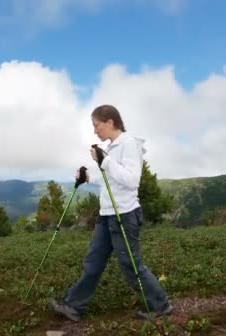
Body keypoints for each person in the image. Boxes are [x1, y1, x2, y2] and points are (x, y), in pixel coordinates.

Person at [49, 104, 173, 321]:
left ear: (110, 122)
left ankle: (160, 305)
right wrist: (86, 176)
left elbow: (131, 180)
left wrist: (104, 161)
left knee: (131, 264)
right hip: (106, 215)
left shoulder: (129, 144)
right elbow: (105, 180)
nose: (95, 130)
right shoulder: (113, 147)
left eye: (97, 125)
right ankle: (73, 306)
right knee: (93, 262)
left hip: (124, 214)